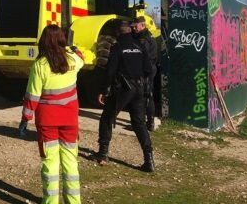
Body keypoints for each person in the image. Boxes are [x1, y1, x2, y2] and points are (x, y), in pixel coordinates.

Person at [19, 24, 84, 204]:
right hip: (70, 120)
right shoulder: (72, 60)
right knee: (71, 162)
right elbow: (82, 57)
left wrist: (25, 118)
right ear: (62, 40)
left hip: (47, 122)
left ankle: (50, 201)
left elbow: (32, 96)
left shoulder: (39, 65)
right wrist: (71, 48)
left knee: (50, 164)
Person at [96, 19, 155, 172]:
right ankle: (149, 161)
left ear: (117, 32)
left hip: (123, 88)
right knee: (139, 123)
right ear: (130, 30)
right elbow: (149, 69)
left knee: (107, 117)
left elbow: (110, 71)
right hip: (139, 88)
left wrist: (103, 90)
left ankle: (103, 154)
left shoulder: (118, 47)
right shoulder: (139, 46)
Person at [132, 16, 158, 131]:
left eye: (136, 25)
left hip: (145, 71)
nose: (134, 28)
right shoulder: (147, 35)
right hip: (150, 69)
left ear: (142, 25)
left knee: (143, 96)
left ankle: (143, 123)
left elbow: (143, 56)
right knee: (147, 95)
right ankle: (149, 122)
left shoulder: (144, 38)